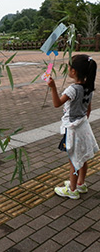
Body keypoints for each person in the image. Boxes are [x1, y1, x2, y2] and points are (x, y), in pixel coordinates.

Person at [47, 54, 99, 200]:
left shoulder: (72, 89)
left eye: (69, 67)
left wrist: (52, 87)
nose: (68, 69)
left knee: (74, 161)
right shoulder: (89, 88)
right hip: (83, 127)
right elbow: (88, 111)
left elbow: (57, 103)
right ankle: (81, 183)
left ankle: (72, 189)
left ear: (74, 71)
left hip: (72, 129)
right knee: (82, 158)